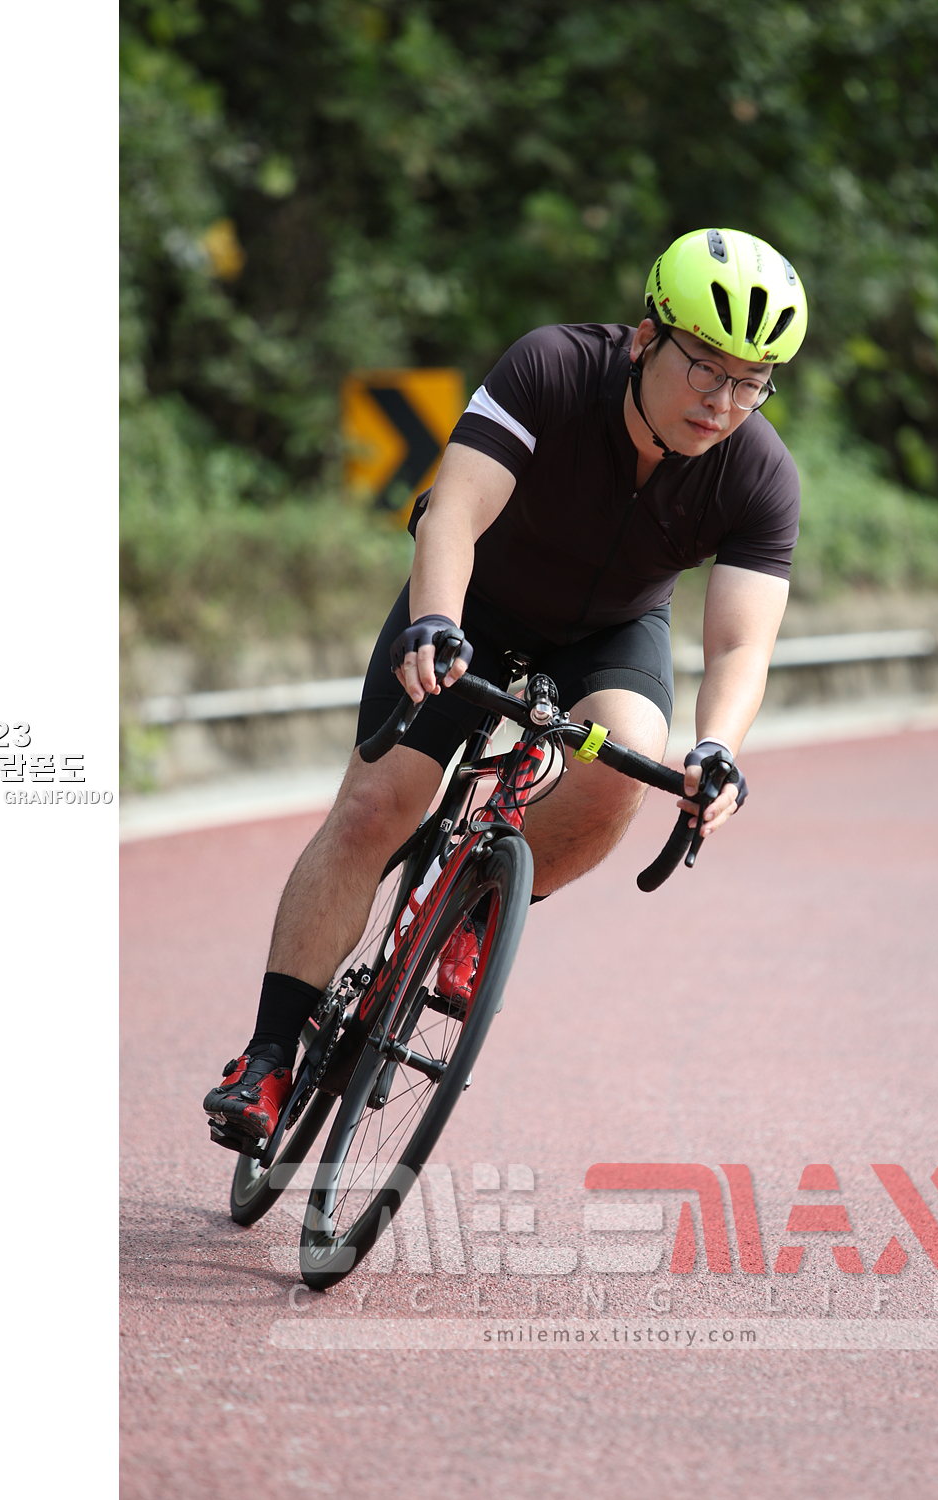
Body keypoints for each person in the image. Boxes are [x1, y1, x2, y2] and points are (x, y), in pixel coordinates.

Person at [203, 227, 809, 1149]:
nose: (723, 402)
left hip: (610, 632)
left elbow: (739, 645)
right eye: (705, 368)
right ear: (647, 338)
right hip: (472, 603)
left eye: (751, 382)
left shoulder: (760, 473)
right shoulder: (553, 368)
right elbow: (453, 513)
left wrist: (719, 746)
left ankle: (480, 909)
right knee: (376, 808)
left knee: (629, 762)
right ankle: (269, 1056)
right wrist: (436, 622)